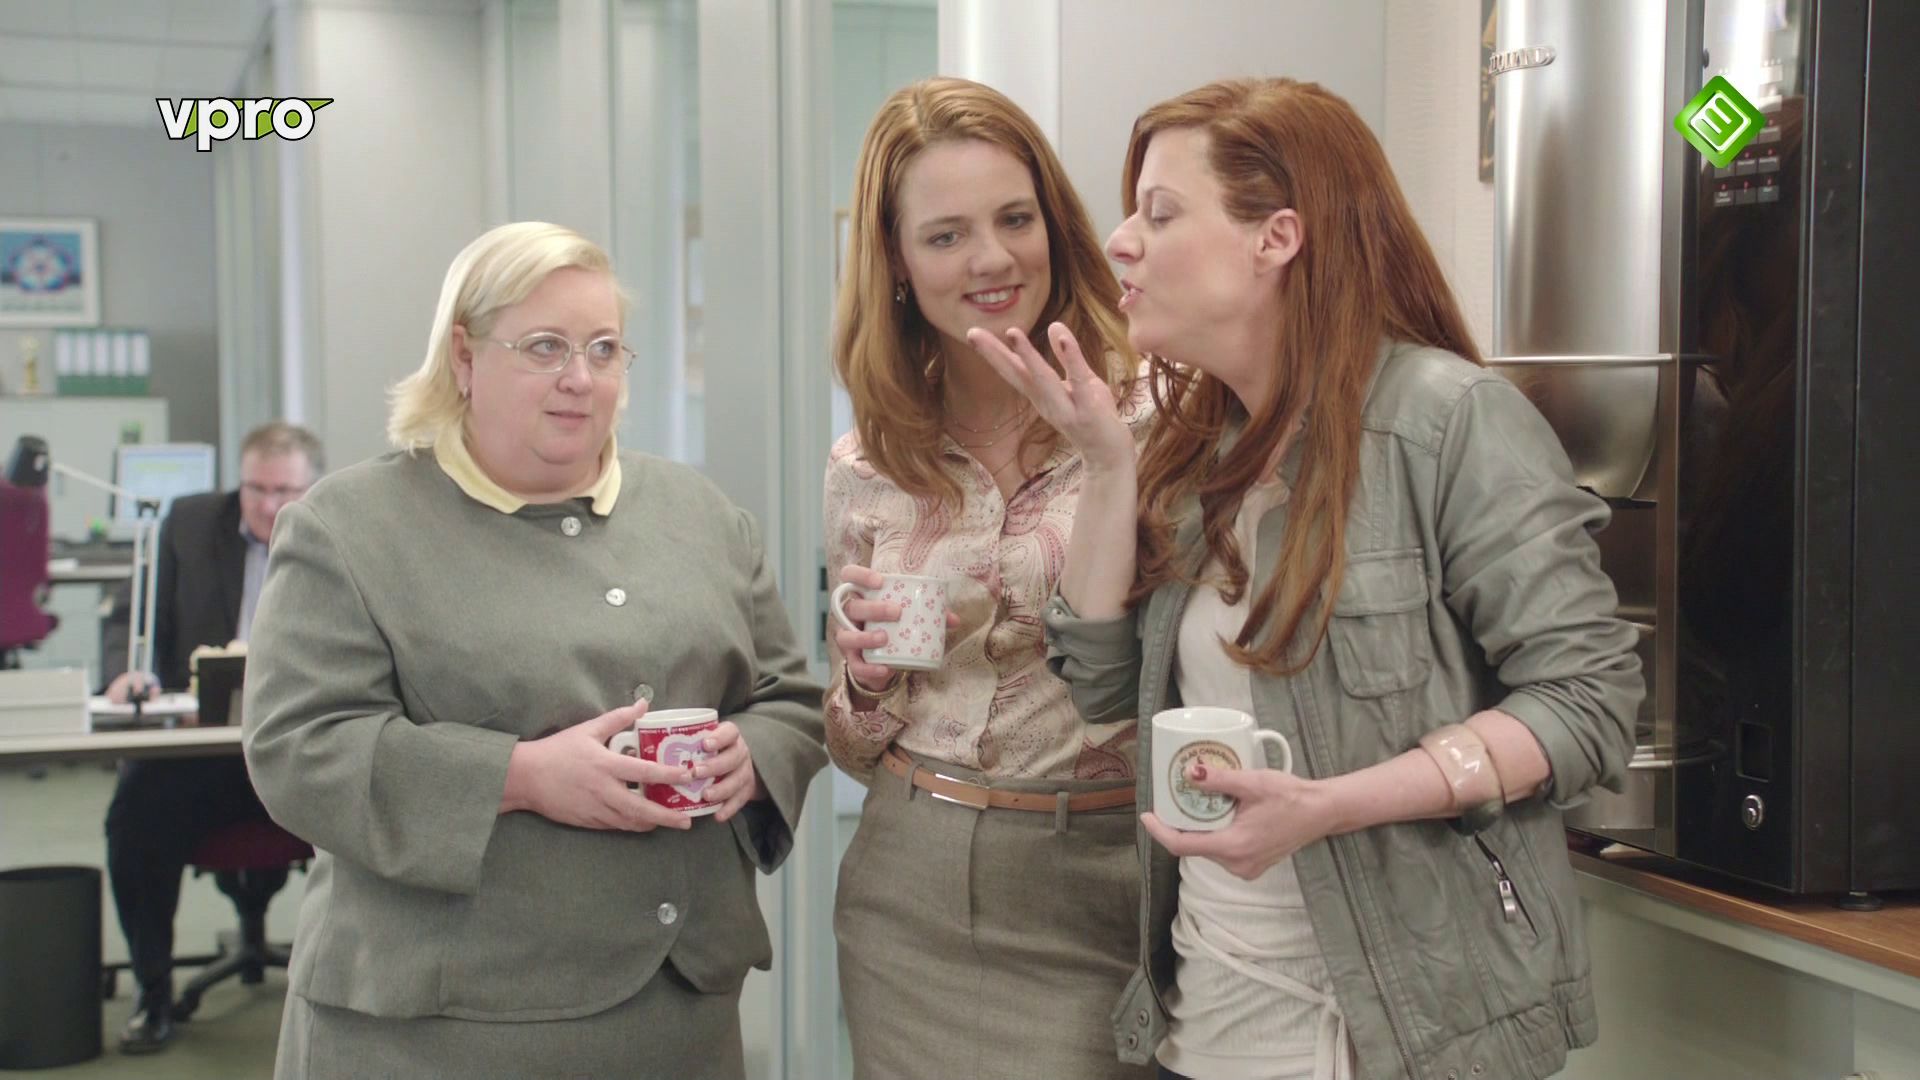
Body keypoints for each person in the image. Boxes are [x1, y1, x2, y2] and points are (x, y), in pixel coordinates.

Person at [972, 79, 1642, 1080]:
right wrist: (1108, 469)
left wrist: (1333, 804)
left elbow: (1589, 703)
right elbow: (1107, 693)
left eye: (1161, 213)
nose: (1120, 243)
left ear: (1276, 238)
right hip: (1213, 1022)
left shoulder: (1448, 421)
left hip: (1405, 1033)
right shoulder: (1192, 450)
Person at [241, 221, 826, 1079]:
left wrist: (756, 755)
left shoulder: (702, 515)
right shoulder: (348, 526)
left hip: (680, 1013)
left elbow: (790, 700)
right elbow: (299, 750)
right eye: (545, 347)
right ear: (464, 357)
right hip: (442, 1029)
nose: (579, 379)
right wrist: (519, 777)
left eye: (604, 349)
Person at [824, 76, 1155, 1080]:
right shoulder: (868, 463)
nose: (993, 259)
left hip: (1106, 870)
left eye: (1015, 219)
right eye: (947, 235)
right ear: (896, 259)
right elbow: (851, 747)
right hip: (910, 886)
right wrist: (865, 679)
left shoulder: (1159, 416)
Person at [102, 420, 322, 1054]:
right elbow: (130, 614)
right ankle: (152, 992)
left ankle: (362, 991)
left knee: (381, 805)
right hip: (199, 755)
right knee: (135, 821)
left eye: (285, 491)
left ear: (312, 487)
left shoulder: (338, 531)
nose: (269, 505)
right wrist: (125, 671)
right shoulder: (190, 525)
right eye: (256, 488)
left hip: (304, 752)